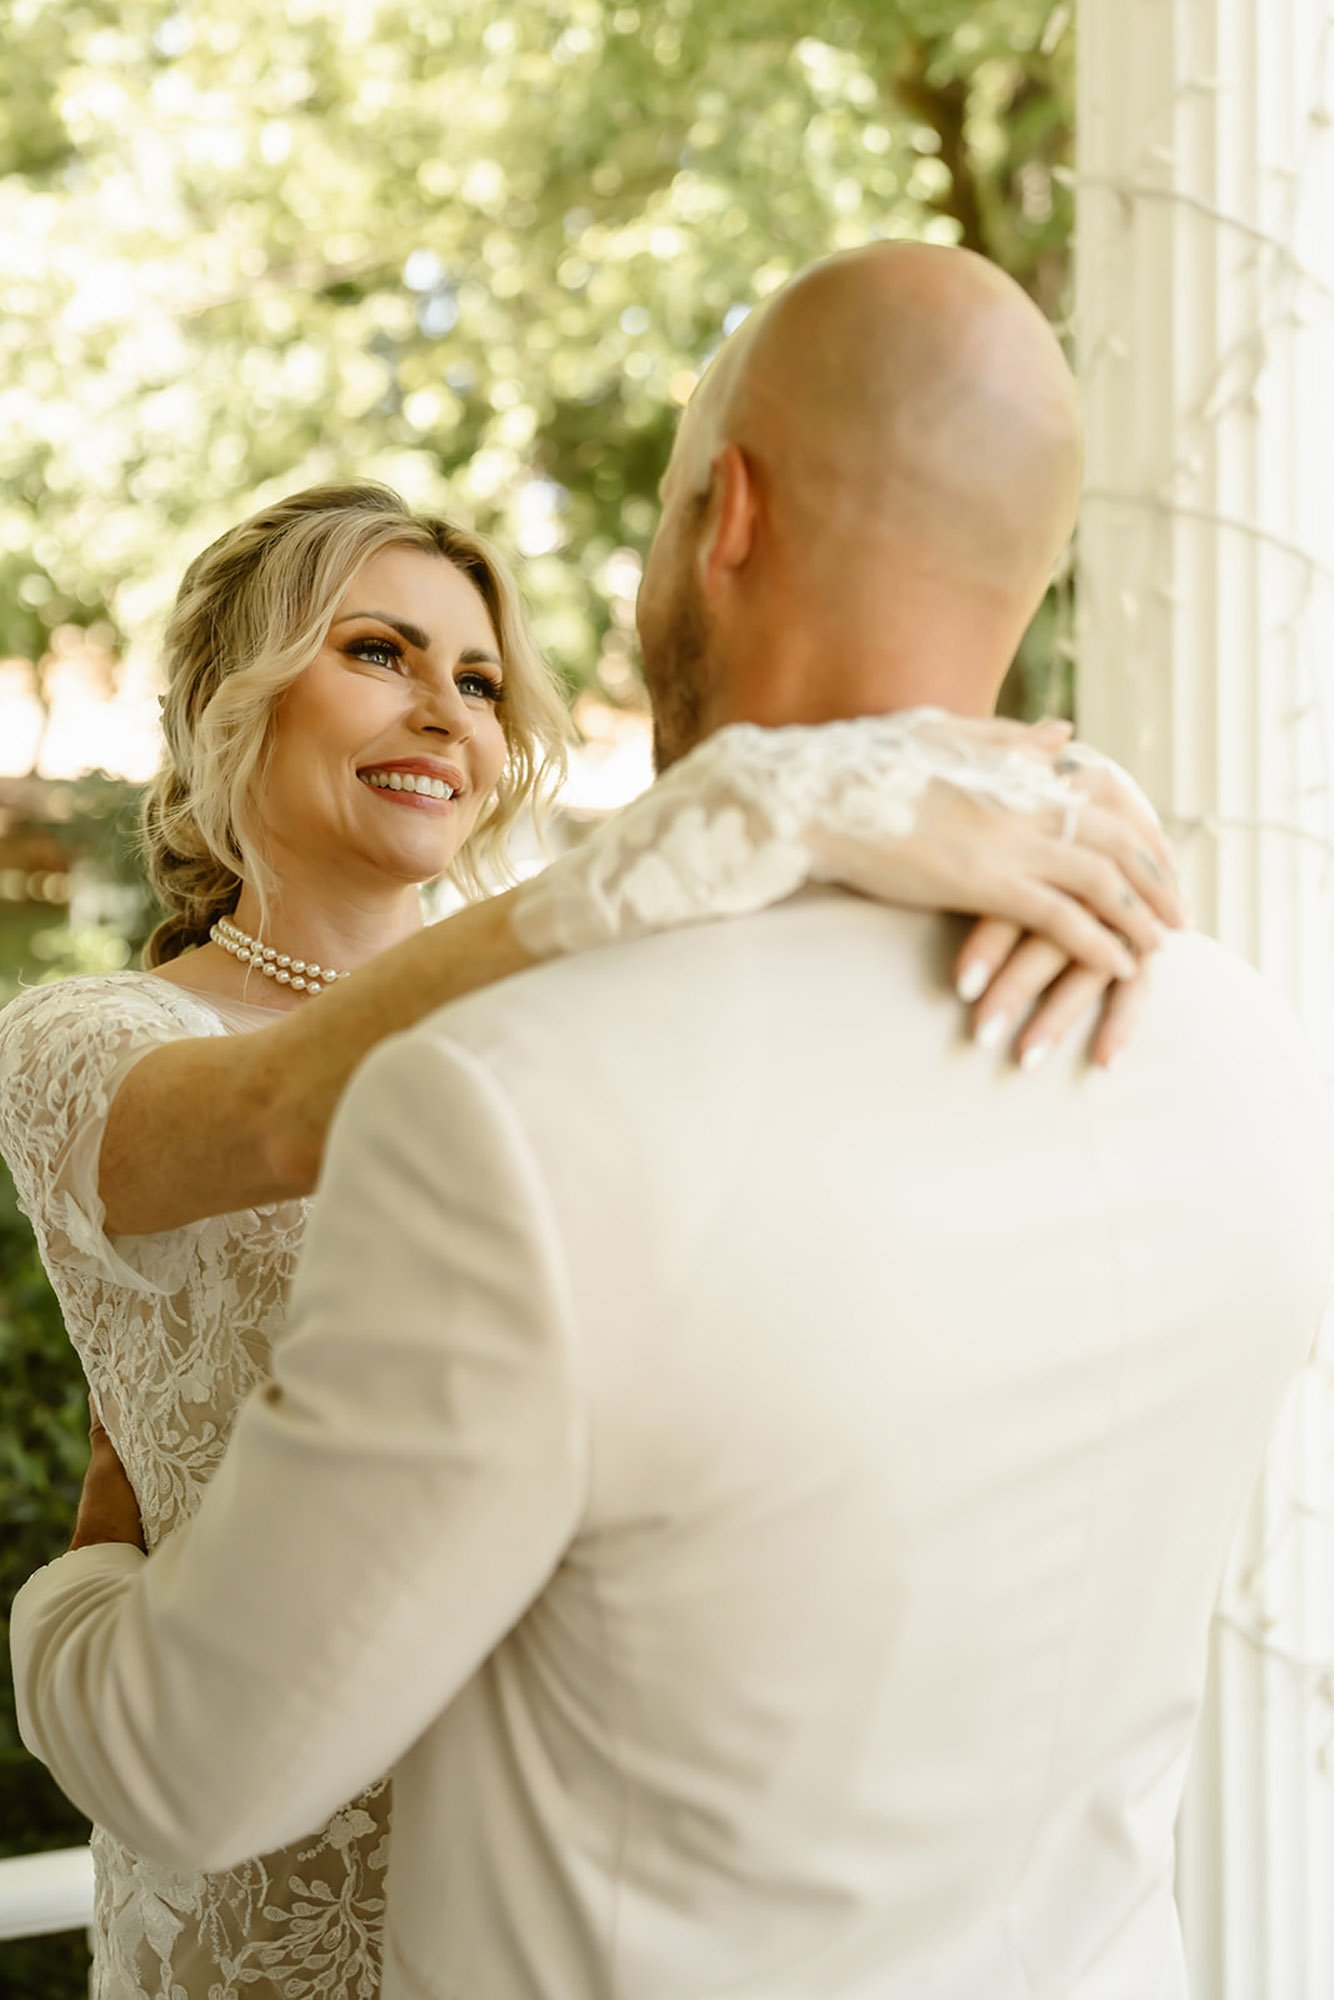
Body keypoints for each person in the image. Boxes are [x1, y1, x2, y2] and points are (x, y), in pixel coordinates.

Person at [5, 245, 1282, 2000]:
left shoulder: (545, 1071)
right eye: (375, 650)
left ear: (721, 514)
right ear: (239, 695)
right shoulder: (1244, 1047)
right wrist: (761, 802)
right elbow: (291, 1111)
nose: (445, 707)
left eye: (474, 672)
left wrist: (61, 1608)